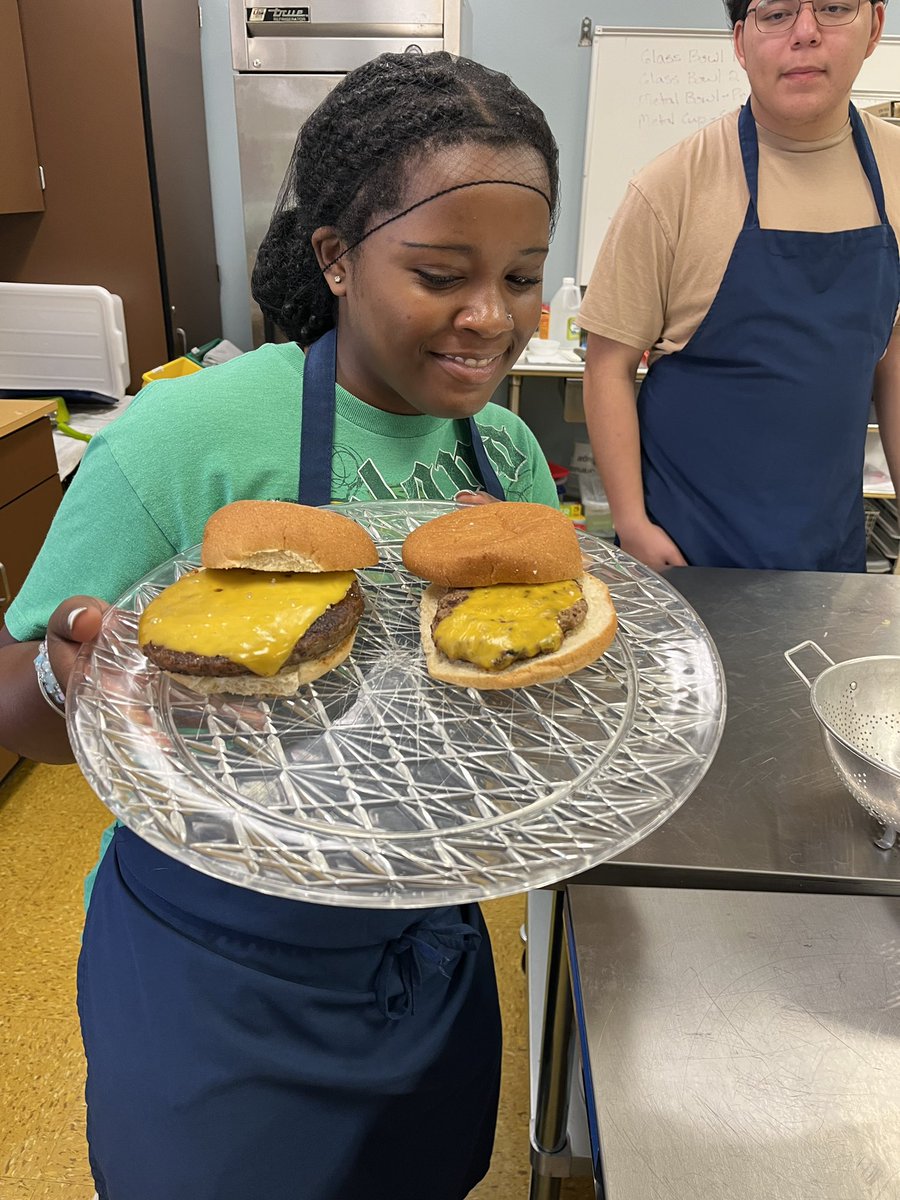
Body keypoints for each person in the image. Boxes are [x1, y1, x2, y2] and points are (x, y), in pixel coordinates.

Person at [0, 52, 561, 1200]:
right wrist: (68, 680)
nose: (491, 318)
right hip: (214, 971)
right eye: (443, 272)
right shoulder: (179, 441)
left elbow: (523, 714)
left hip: (423, 936)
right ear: (337, 258)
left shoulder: (502, 457)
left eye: (523, 275)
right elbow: (16, 694)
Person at [579, 0, 900, 571]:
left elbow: (893, 359)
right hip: (688, 553)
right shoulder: (672, 186)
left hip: (831, 556)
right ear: (740, 41)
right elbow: (608, 366)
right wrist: (632, 526)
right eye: (775, 14)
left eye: (831, 8)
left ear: (874, 25)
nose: (805, 33)